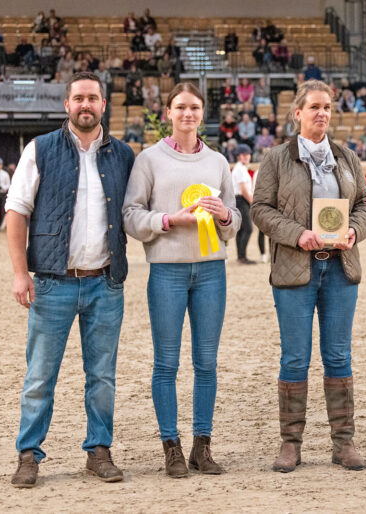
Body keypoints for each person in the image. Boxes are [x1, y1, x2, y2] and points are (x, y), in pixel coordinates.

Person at [4, 72, 135, 488]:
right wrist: (20, 273)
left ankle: (99, 451)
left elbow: (137, 212)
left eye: (93, 98)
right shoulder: (40, 149)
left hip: (105, 282)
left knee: (103, 376)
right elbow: (16, 212)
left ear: (103, 104)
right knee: (40, 376)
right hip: (52, 282)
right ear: (67, 105)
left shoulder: (123, 154)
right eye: (78, 98)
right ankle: (29, 454)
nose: (85, 105)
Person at [251, 80, 366, 473]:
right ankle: (290, 444)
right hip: (295, 267)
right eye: (314, 107)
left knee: (338, 355)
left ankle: (344, 443)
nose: (322, 113)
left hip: (340, 267)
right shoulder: (276, 159)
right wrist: (297, 234)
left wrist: (354, 229)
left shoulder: (347, 158)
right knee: (295, 357)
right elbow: (260, 209)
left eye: (327, 107)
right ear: (298, 113)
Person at [122, 82, 240, 477]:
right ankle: (170, 446)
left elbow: (235, 221)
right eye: (180, 107)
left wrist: (225, 216)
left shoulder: (218, 161)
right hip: (167, 271)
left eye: (194, 107)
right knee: (166, 362)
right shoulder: (149, 160)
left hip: (211, 271)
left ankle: (202, 447)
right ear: (168, 112)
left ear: (202, 113)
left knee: (206, 362)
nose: (188, 114)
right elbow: (131, 215)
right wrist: (169, 219)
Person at [232, 144, 254, 264]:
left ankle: (241, 256)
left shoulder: (241, 168)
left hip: (240, 200)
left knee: (242, 230)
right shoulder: (240, 169)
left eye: (247, 154)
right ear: (239, 156)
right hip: (241, 199)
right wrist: (252, 202)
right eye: (243, 155)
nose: (246, 157)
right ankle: (242, 256)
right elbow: (244, 189)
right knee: (248, 229)